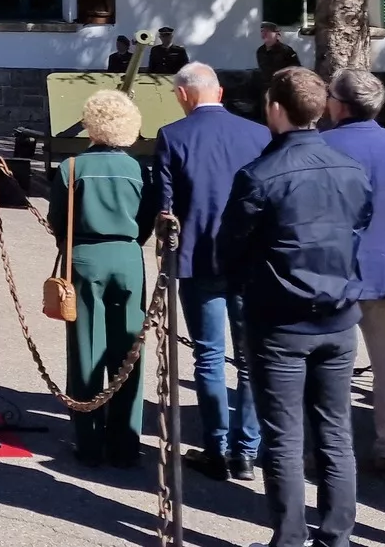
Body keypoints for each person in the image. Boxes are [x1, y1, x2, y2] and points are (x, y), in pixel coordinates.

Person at [221, 67, 371, 547]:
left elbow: (230, 248)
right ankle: (336, 536)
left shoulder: (260, 175)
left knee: (285, 437)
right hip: (337, 313)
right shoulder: (350, 168)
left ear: (276, 109)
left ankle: (290, 538)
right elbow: (360, 224)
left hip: (281, 320)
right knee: (334, 432)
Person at [145, 61, 269, 480]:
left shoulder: (173, 135)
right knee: (250, 359)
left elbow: (166, 208)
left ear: (182, 95)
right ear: (219, 92)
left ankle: (215, 447)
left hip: (198, 258)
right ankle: (247, 451)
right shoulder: (258, 134)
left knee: (209, 356)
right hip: (250, 260)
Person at [319, 68, 385, 477]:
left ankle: (328, 445)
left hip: (330, 269)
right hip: (381, 265)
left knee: (325, 363)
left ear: (339, 104)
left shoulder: (320, 145)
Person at [54, 90, 148, 467]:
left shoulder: (71, 167)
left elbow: (58, 222)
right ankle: (126, 444)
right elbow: (147, 220)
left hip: (85, 258)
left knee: (86, 349)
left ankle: (88, 442)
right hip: (128, 257)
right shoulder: (141, 170)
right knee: (129, 349)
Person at [255, 22, 300, 86]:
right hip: (266, 86)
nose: (264, 33)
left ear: (276, 34)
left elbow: (296, 68)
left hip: (282, 86)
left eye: (268, 31)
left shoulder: (286, 50)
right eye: (262, 31)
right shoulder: (260, 51)